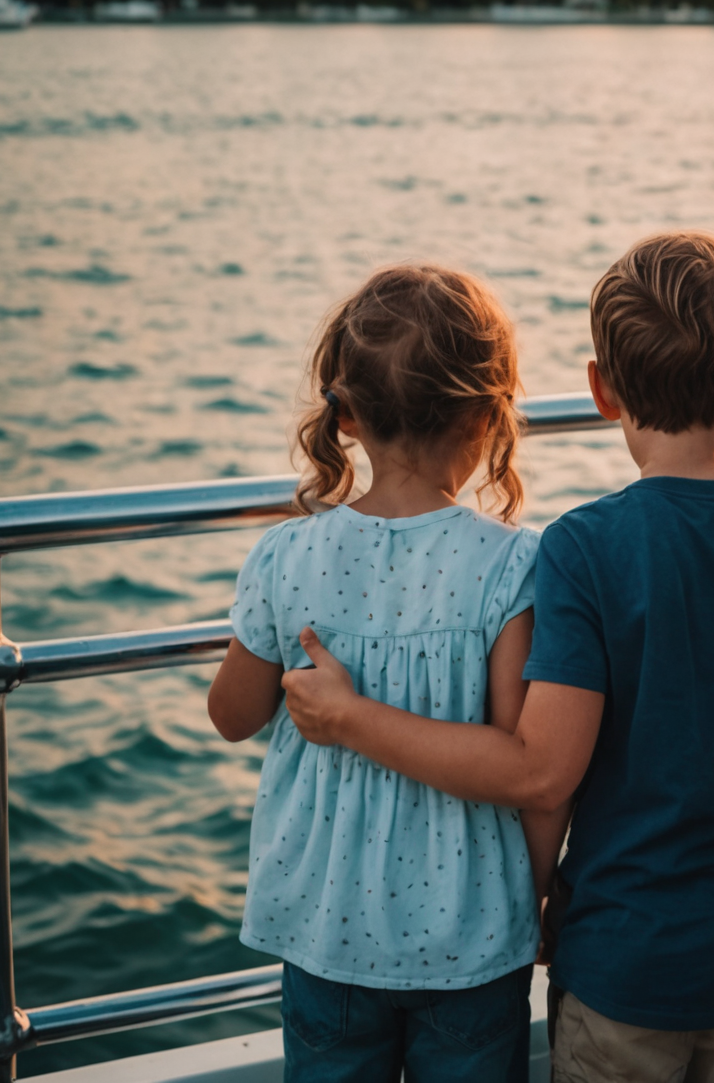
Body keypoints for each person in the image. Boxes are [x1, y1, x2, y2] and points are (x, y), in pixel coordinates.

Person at [281, 230, 714, 1083]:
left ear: (601, 391)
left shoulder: (584, 548)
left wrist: (531, 895)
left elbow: (546, 776)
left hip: (618, 956)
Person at [207, 264, 563, 1083]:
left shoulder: (286, 556)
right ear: (485, 413)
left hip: (325, 928)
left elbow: (232, 715)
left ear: (349, 415)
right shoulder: (511, 566)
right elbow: (523, 764)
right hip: (470, 930)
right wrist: (533, 895)